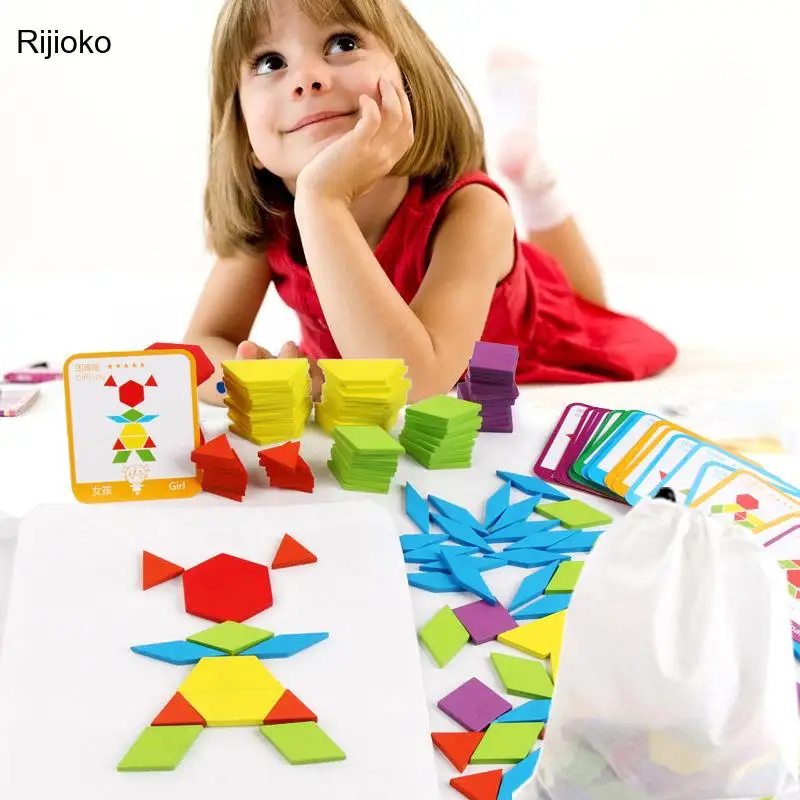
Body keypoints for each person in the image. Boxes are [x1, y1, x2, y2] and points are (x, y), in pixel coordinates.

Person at [185, 0, 677, 406]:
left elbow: (413, 383)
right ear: (245, 136)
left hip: (531, 334)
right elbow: (195, 352)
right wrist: (260, 384)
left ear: (409, 82)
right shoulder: (271, 222)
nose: (306, 78)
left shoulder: (473, 211)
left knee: (581, 302)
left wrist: (321, 200)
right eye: (270, 63)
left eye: (343, 43)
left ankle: (534, 184)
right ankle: (527, 171)